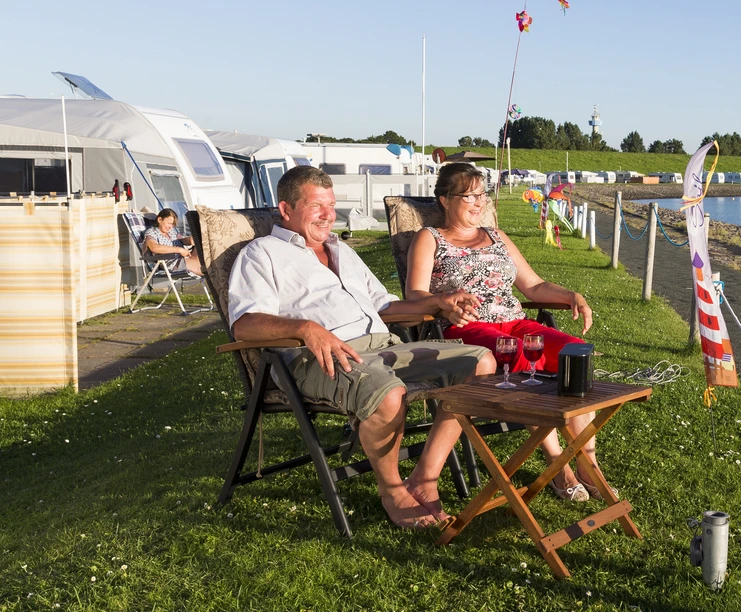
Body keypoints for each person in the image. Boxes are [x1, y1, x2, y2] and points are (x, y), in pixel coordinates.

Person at [228, 165, 497, 529]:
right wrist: (307, 329)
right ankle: (392, 492)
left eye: (332, 204)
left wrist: (438, 303)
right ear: (286, 209)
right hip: (321, 357)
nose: (328, 215)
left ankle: (424, 478)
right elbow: (244, 323)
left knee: (480, 362)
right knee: (388, 395)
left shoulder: (341, 249)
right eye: (316, 206)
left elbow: (384, 306)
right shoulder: (262, 254)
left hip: (384, 345)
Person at [406, 162, 608, 503]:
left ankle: (588, 461)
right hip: (467, 329)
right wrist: (443, 300)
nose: (478, 202)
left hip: (514, 320)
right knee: (517, 353)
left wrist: (571, 296)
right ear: (444, 199)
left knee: (575, 353)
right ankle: (559, 465)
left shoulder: (497, 236)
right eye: (468, 195)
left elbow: (534, 286)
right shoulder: (430, 239)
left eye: (482, 194)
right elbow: (415, 294)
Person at [144, 209, 202, 277]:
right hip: (173, 264)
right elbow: (154, 247)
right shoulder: (152, 232)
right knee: (206, 270)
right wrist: (179, 250)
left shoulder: (171, 232)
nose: (170, 227)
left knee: (202, 243)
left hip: (185, 257)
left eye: (172, 225)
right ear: (159, 220)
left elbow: (182, 239)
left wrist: (189, 240)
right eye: (169, 223)